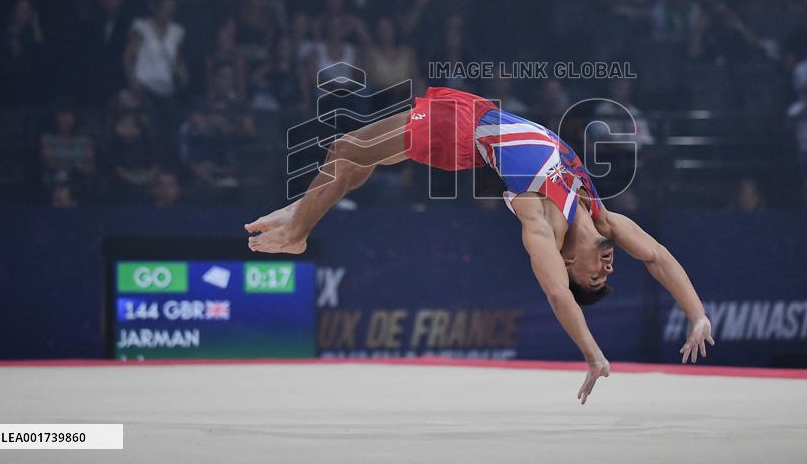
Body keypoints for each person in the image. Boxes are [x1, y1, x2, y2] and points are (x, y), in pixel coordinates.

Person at [245, 86, 714, 403]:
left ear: (569, 260)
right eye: (607, 274)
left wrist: (593, 353)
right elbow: (658, 257)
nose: (608, 269)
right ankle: (301, 213)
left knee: (347, 148)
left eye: (593, 279)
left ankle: (298, 231)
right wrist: (696, 314)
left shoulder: (540, 222)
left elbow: (557, 295)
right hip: (476, 121)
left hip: (463, 129)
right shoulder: (603, 216)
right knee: (357, 158)